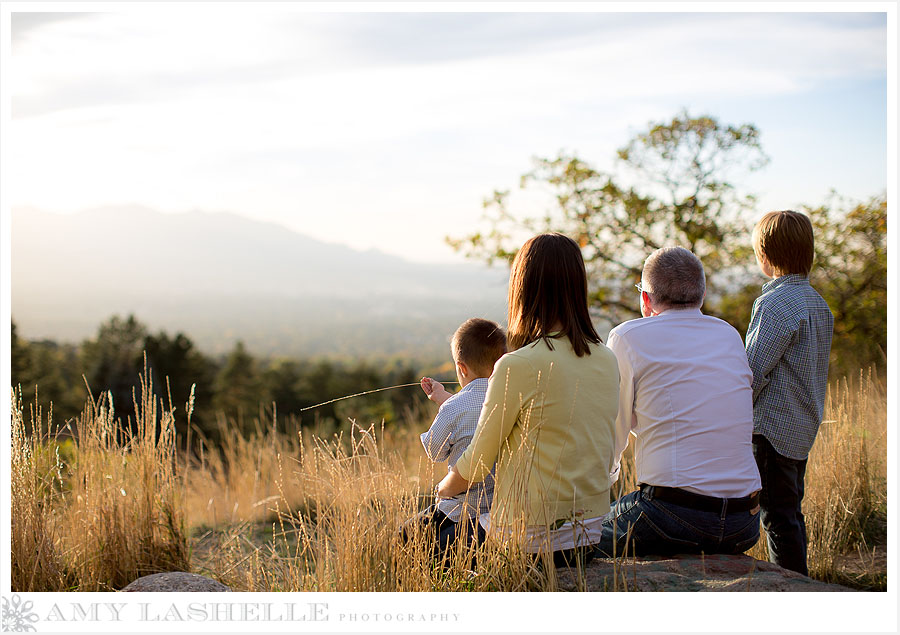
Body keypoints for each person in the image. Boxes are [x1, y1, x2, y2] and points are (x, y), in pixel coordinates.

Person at [436, 232, 620, 568]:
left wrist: (444, 489)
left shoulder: (516, 365)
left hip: (529, 537)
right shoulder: (606, 358)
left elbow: (476, 464)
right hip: (588, 533)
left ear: (523, 288)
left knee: (413, 539)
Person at [595, 246, 762, 558]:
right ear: (700, 294)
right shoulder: (728, 335)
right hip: (746, 521)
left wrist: (602, 486)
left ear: (645, 299)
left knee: (575, 538)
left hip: (671, 517)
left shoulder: (627, 337)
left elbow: (612, 431)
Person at [745, 210, 834, 576]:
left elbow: (751, 370)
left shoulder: (774, 304)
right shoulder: (819, 304)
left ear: (765, 258)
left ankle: (792, 588)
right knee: (790, 512)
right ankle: (801, 580)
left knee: (777, 518)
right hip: (802, 426)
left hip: (772, 430)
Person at [401, 317, 506, 560]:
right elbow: (478, 411)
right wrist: (444, 399)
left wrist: (444, 409)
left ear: (461, 368)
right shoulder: (508, 399)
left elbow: (434, 452)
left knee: (406, 535)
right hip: (497, 505)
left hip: (458, 509)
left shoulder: (454, 408)